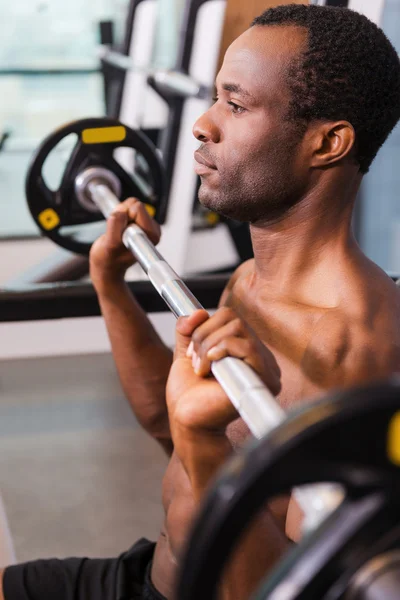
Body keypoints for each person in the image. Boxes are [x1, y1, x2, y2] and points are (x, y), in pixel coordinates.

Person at [2, 3, 400, 599]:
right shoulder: (249, 279)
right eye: (216, 97)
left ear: (327, 143)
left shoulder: (355, 349)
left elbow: (300, 590)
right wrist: (111, 285)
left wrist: (201, 441)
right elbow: (171, 419)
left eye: (235, 106)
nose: (203, 124)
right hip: (147, 573)